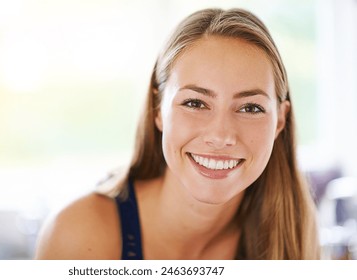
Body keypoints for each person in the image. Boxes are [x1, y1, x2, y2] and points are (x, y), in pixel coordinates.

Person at [35, 7, 320, 260]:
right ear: (157, 109)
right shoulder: (79, 236)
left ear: (280, 122)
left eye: (250, 108)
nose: (221, 136)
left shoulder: (292, 240)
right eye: (195, 103)